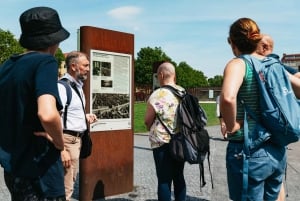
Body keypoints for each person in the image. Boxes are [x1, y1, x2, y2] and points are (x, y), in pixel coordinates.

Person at [220, 18, 300, 201]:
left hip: (249, 149)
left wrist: (231, 126)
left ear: (233, 43)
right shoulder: (274, 64)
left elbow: (227, 98)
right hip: (277, 150)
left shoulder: (239, 64)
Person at [0, 6, 69, 200]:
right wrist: (59, 142)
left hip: (13, 167)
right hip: (40, 166)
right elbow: (47, 113)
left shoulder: (7, 66)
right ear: (53, 40)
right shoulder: (45, 62)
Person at [58, 51, 97, 201]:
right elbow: (55, 116)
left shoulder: (77, 86)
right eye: (85, 65)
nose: (88, 68)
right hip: (67, 140)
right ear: (73, 66)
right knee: (66, 188)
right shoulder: (62, 87)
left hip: (76, 140)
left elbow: (69, 111)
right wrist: (62, 149)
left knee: (70, 181)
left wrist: (84, 117)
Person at [144, 62, 186, 201]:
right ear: (174, 75)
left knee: (164, 180)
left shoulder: (157, 95)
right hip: (181, 141)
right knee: (179, 177)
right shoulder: (183, 92)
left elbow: (147, 120)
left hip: (161, 142)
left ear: (161, 75)